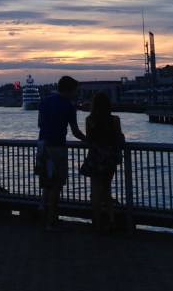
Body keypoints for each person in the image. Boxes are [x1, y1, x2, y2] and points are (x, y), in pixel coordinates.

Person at [36, 75, 85, 231]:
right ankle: (52, 219)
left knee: (47, 182)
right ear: (69, 89)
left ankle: (43, 209)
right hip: (57, 147)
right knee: (56, 185)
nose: (76, 93)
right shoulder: (68, 106)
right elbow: (75, 131)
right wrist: (88, 140)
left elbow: (39, 124)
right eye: (75, 90)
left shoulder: (44, 101)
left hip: (42, 146)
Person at [81, 92, 124, 234]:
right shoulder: (115, 120)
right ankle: (112, 221)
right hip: (109, 157)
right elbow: (118, 137)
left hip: (95, 156)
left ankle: (98, 224)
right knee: (107, 190)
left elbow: (88, 139)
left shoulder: (89, 120)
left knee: (95, 190)